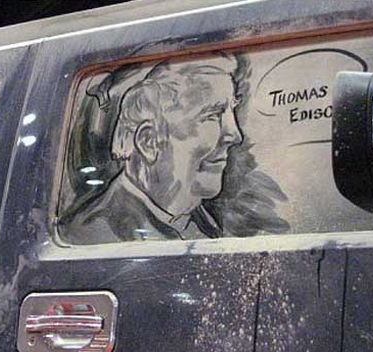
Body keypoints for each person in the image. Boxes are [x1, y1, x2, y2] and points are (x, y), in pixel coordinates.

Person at [60, 54, 244, 243]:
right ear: (148, 142)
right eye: (212, 115)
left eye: (232, 110)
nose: (235, 135)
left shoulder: (200, 222)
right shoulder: (90, 235)